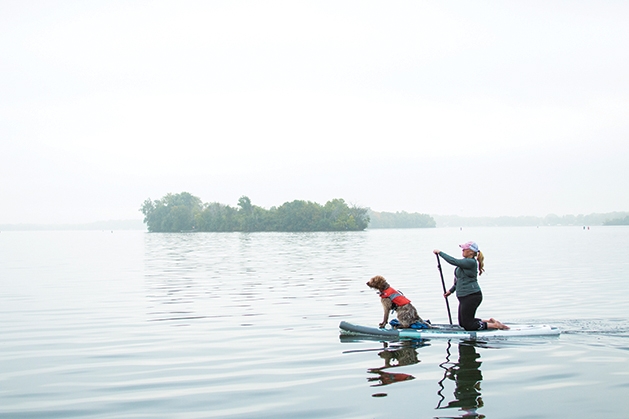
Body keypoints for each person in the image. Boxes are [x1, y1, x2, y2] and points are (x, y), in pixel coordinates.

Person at [433, 242, 508, 331]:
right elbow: (459, 280)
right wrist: (450, 291)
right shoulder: (464, 263)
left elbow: (454, 261)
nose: (462, 250)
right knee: (463, 323)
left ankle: (495, 326)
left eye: (465, 249)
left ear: (471, 252)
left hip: (471, 296)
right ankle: (489, 322)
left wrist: (440, 253)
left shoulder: (471, 262)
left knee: (468, 325)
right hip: (464, 296)